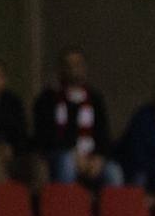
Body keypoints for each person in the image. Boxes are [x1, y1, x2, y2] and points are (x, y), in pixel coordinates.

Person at [32, 50, 119, 188]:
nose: (74, 69)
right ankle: (67, 207)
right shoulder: (48, 99)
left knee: (113, 172)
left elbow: (103, 134)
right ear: (61, 69)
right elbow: (45, 136)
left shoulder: (95, 99)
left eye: (78, 64)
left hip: (91, 157)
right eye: (69, 65)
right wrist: (73, 154)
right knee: (66, 163)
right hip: (60, 154)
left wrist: (99, 158)